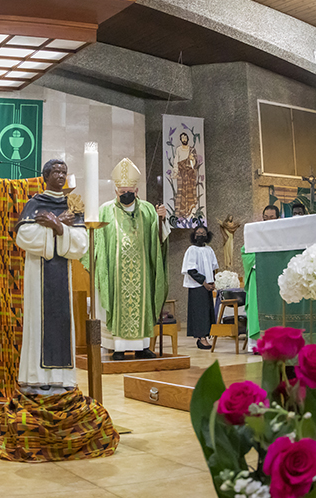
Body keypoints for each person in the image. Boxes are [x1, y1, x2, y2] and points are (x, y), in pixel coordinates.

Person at [15, 159, 88, 393]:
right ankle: (37, 377)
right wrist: (59, 226)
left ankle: (63, 379)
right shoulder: (35, 203)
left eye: (64, 172)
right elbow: (23, 236)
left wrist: (56, 226)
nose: (60, 175)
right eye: (55, 171)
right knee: (38, 324)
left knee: (62, 324)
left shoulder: (72, 206)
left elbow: (81, 243)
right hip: (38, 275)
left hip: (63, 276)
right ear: (45, 175)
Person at [92, 158, 169, 361]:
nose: (126, 195)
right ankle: (118, 348)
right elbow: (97, 241)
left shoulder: (148, 209)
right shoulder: (105, 210)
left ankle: (143, 347)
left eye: (130, 191)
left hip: (142, 270)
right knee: (120, 305)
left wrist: (162, 220)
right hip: (116, 271)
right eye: (121, 192)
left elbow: (159, 240)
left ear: (136, 191)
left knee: (142, 302)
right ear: (115, 191)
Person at [241, 204, 281, 344]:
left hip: (277, 276)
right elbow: (246, 253)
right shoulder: (255, 234)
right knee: (257, 308)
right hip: (259, 276)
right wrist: (263, 262)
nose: (268, 220)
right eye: (265, 218)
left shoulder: (283, 235)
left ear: (279, 218)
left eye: (272, 217)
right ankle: (257, 343)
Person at [182, 226, 218, 350]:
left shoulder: (209, 250)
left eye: (203, 233)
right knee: (199, 312)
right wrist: (204, 282)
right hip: (197, 285)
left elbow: (213, 267)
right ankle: (201, 338)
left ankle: (206, 335)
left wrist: (212, 282)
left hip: (207, 285)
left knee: (207, 311)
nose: (200, 235)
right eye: (198, 233)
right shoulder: (191, 250)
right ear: (194, 235)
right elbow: (191, 270)